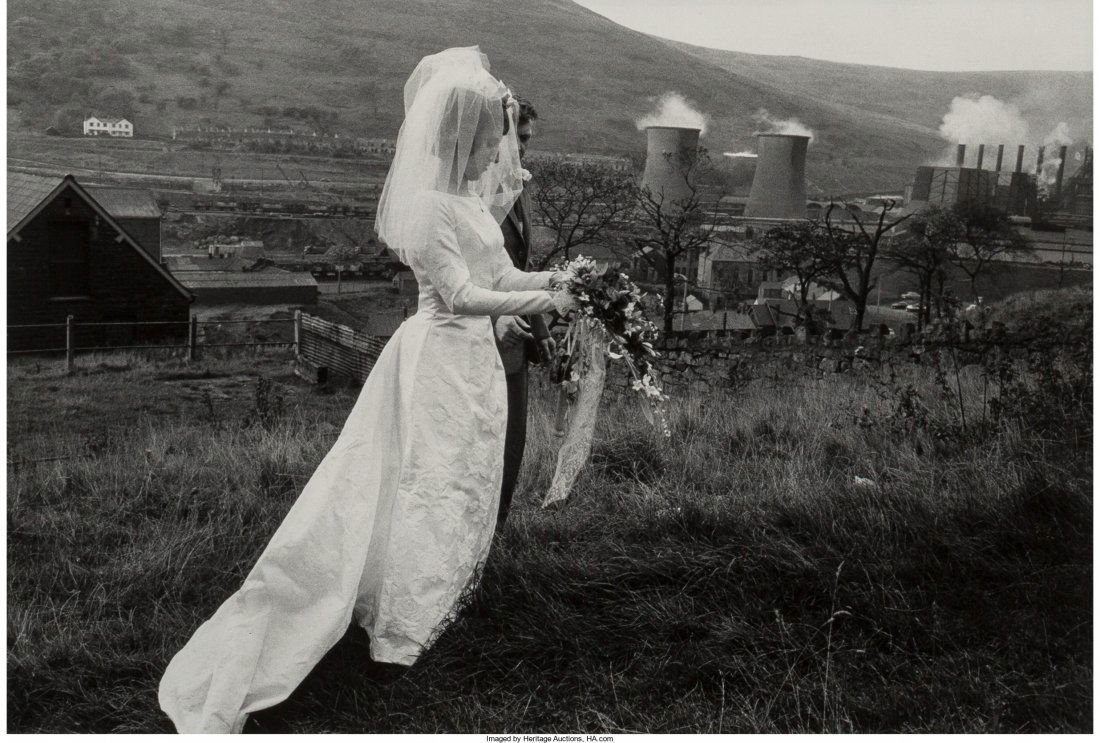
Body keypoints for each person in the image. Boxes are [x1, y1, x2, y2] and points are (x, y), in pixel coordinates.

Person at [157, 47, 575, 734]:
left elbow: (500, 276)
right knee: (425, 485)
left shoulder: (471, 202)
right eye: (489, 143)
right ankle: (401, 625)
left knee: (465, 480)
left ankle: (443, 598)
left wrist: (558, 287)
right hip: (436, 358)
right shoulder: (430, 210)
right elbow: (465, 293)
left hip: (474, 367)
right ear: (463, 139)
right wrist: (549, 301)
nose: (496, 157)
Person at [493, 96, 554, 526]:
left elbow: (520, 268)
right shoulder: (471, 189)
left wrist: (542, 327)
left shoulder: (520, 185)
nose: (527, 148)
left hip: (518, 329)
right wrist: (496, 318)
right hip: (482, 332)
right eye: (522, 139)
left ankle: (499, 523)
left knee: (514, 437)